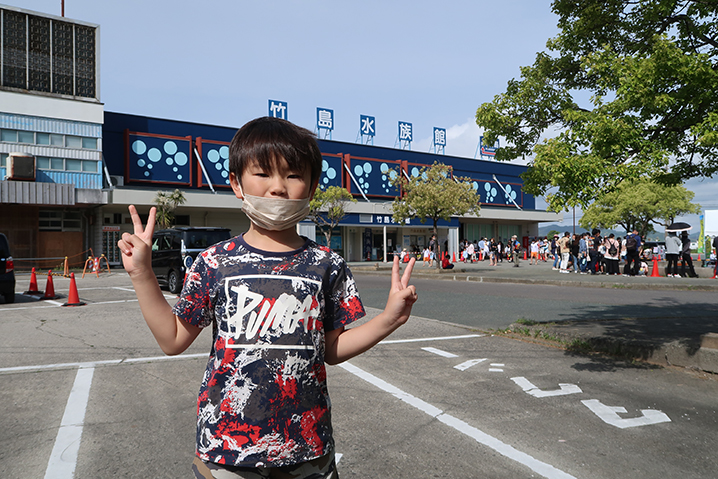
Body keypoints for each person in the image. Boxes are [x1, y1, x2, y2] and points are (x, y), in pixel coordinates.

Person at [117, 117, 418, 479]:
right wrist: (142, 273)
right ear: (236, 183)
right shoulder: (213, 262)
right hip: (226, 450)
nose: (278, 188)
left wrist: (389, 319)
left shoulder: (326, 264)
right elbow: (172, 339)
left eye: (292, 175)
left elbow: (331, 350)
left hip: (307, 450)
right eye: (262, 173)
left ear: (311, 186)